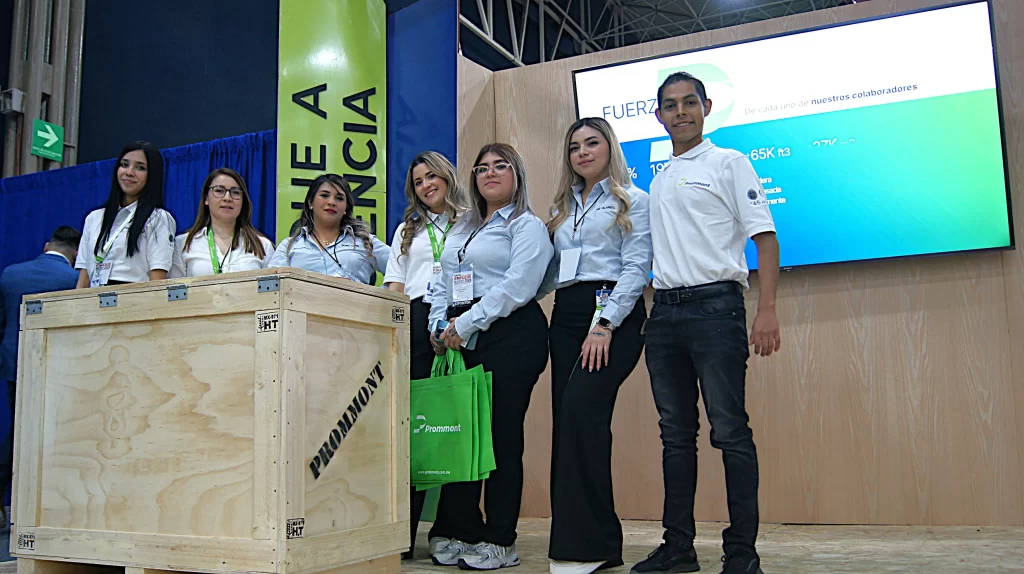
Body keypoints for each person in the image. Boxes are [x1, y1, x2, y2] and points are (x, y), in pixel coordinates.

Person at [632, 72, 781, 574]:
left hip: (718, 310)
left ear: (707, 106)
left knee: (730, 432)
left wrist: (767, 309)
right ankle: (679, 549)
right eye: (670, 105)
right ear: (658, 115)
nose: (681, 112)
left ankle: (742, 553)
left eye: (689, 102)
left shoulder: (729, 163)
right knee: (675, 436)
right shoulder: (658, 178)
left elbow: (765, 237)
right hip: (665, 316)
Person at [427, 143, 552, 570]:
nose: (490, 174)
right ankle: (462, 528)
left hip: (511, 336)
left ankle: (501, 539)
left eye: (501, 167)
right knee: (464, 435)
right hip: (464, 336)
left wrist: (464, 324)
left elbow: (518, 286)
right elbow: (442, 277)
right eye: (482, 168)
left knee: (499, 439)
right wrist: (437, 322)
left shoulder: (526, 225)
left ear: (516, 175)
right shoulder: (462, 226)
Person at [541, 118, 651, 574]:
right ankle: (598, 542)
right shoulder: (564, 208)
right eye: (574, 147)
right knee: (569, 427)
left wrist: (604, 324)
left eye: (592, 143)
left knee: (581, 414)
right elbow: (552, 272)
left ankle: (584, 547)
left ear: (610, 148)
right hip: (565, 316)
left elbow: (637, 266)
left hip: (612, 315)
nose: (582, 152)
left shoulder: (634, 200)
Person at [383, 151, 470, 559]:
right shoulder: (406, 229)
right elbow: (394, 288)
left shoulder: (471, 219)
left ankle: (448, 530)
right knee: (413, 431)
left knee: (456, 428)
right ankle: (403, 535)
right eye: (418, 181)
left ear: (447, 176)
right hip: (415, 325)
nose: (426, 185)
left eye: (431, 176)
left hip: (462, 321)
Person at [0, 225, 82, 530]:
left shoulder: (10, 273)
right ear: (75, 253)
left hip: (14, 363)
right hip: (60, 367)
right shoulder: (75, 280)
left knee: (19, 431)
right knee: (58, 435)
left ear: (47, 244)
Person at [74, 141, 177, 288]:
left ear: (152, 175)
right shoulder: (94, 218)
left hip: (133, 301)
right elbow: (83, 279)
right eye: (124, 165)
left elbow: (158, 280)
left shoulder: (158, 218)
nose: (129, 172)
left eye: (140, 168)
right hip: (93, 300)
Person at [268, 174, 389, 284]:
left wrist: (377, 301)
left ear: (346, 207)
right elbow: (270, 287)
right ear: (310, 202)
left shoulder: (365, 242)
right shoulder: (289, 246)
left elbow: (400, 271)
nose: (331, 202)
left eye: (339, 198)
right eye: (324, 195)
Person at [170, 167, 274, 278]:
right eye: (219, 190)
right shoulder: (183, 244)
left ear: (243, 201)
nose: (227, 198)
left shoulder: (263, 246)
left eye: (235, 192)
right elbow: (174, 292)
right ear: (206, 198)